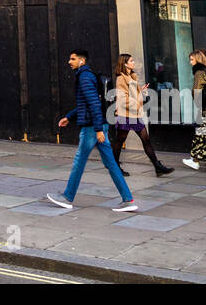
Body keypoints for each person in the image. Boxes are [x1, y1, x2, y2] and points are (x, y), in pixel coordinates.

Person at [46, 49, 138, 212]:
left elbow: (94, 103)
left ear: (82, 61)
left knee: (79, 161)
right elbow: (85, 103)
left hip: (91, 127)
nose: (69, 61)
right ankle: (128, 199)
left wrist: (97, 130)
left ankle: (67, 197)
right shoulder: (86, 75)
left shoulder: (84, 77)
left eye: (72, 59)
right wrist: (69, 117)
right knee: (111, 163)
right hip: (97, 124)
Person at [111, 53, 173, 176]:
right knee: (120, 140)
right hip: (126, 115)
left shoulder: (132, 76)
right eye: (131, 61)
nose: (134, 62)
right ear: (125, 64)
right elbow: (123, 99)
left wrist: (141, 90)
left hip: (135, 115)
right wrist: (139, 99)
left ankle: (157, 166)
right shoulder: (121, 79)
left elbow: (133, 94)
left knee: (146, 140)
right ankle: (115, 167)